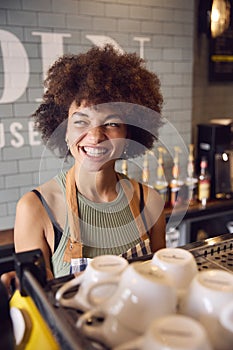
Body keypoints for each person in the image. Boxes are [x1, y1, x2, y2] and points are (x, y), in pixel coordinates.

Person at [2, 44, 166, 287]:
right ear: (64, 130)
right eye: (81, 121)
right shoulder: (36, 209)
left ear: (129, 133)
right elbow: (39, 310)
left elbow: (161, 284)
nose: (95, 136)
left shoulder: (149, 202)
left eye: (111, 123)